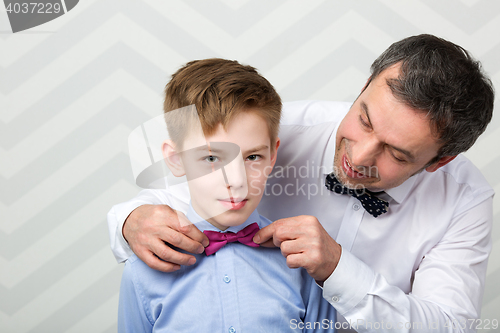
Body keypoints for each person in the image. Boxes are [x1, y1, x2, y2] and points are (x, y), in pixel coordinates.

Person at [108, 35, 495, 332]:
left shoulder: (464, 199)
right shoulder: (271, 130)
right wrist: (130, 220)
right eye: (364, 120)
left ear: (439, 160)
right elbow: (182, 186)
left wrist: (338, 268)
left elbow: (449, 326)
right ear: (364, 87)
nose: (358, 158)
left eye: (396, 153)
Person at [116, 58, 337, 332]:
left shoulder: (302, 264)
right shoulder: (143, 271)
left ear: (273, 155)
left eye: (253, 156)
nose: (236, 180)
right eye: (211, 158)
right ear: (175, 159)